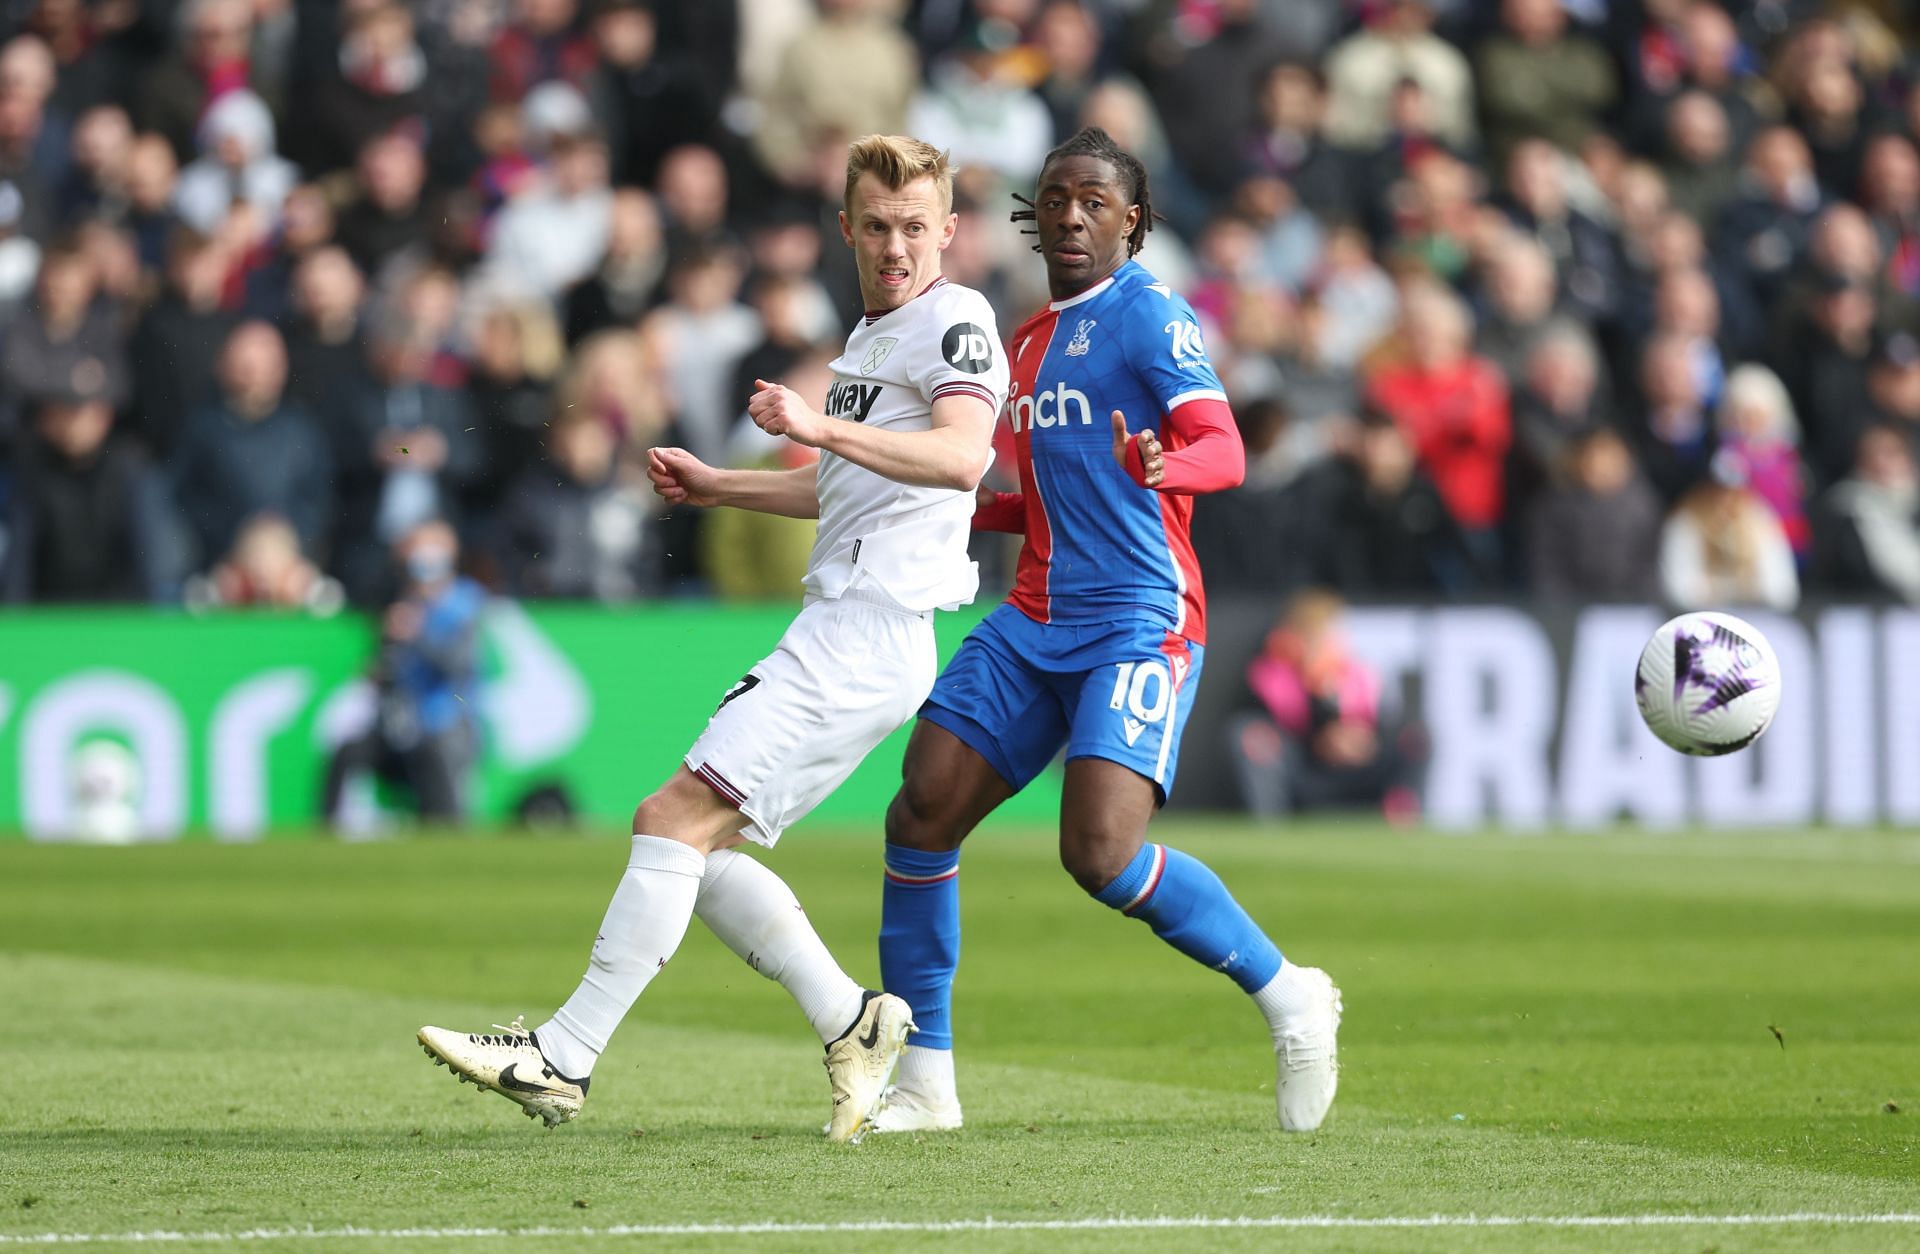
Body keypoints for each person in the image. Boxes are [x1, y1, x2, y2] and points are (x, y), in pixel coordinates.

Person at [417, 135, 1009, 1144]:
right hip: (842, 624)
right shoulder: (870, 338)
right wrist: (719, 483)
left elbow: (961, 460)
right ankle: (853, 1021)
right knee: (699, 848)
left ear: (948, 231)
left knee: (669, 819)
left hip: (872, 629)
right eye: (876, 225)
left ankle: (563, 1056)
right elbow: (843, 485)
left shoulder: (955, 320)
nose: (895, 244)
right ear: (847, 230)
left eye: (915, 226)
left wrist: (817, 427)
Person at [869, 128, 1341, 1138]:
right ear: (1031, 217)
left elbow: (1223, 446)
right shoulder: (1028, 344)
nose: (1070, 216)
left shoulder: (1148, 319)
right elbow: (1022, 499)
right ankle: (927, 1081)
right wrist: (916, 497)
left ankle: (1289, 991)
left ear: (1134, 219)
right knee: (920, 815)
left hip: (1138, 618)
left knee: (1100, 855)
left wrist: (1165, 466)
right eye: (1054, 199)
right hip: (1035, 616)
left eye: (1093, 200)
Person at [321, 522, 482, 827]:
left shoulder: (464, 603)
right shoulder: (400, 603)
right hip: (402, 727)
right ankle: (326, 834)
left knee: (436, 754)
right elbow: (385, 672)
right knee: (349, 751)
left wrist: (417, 635)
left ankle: (450, 833)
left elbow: (459, 665)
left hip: (446, 726)